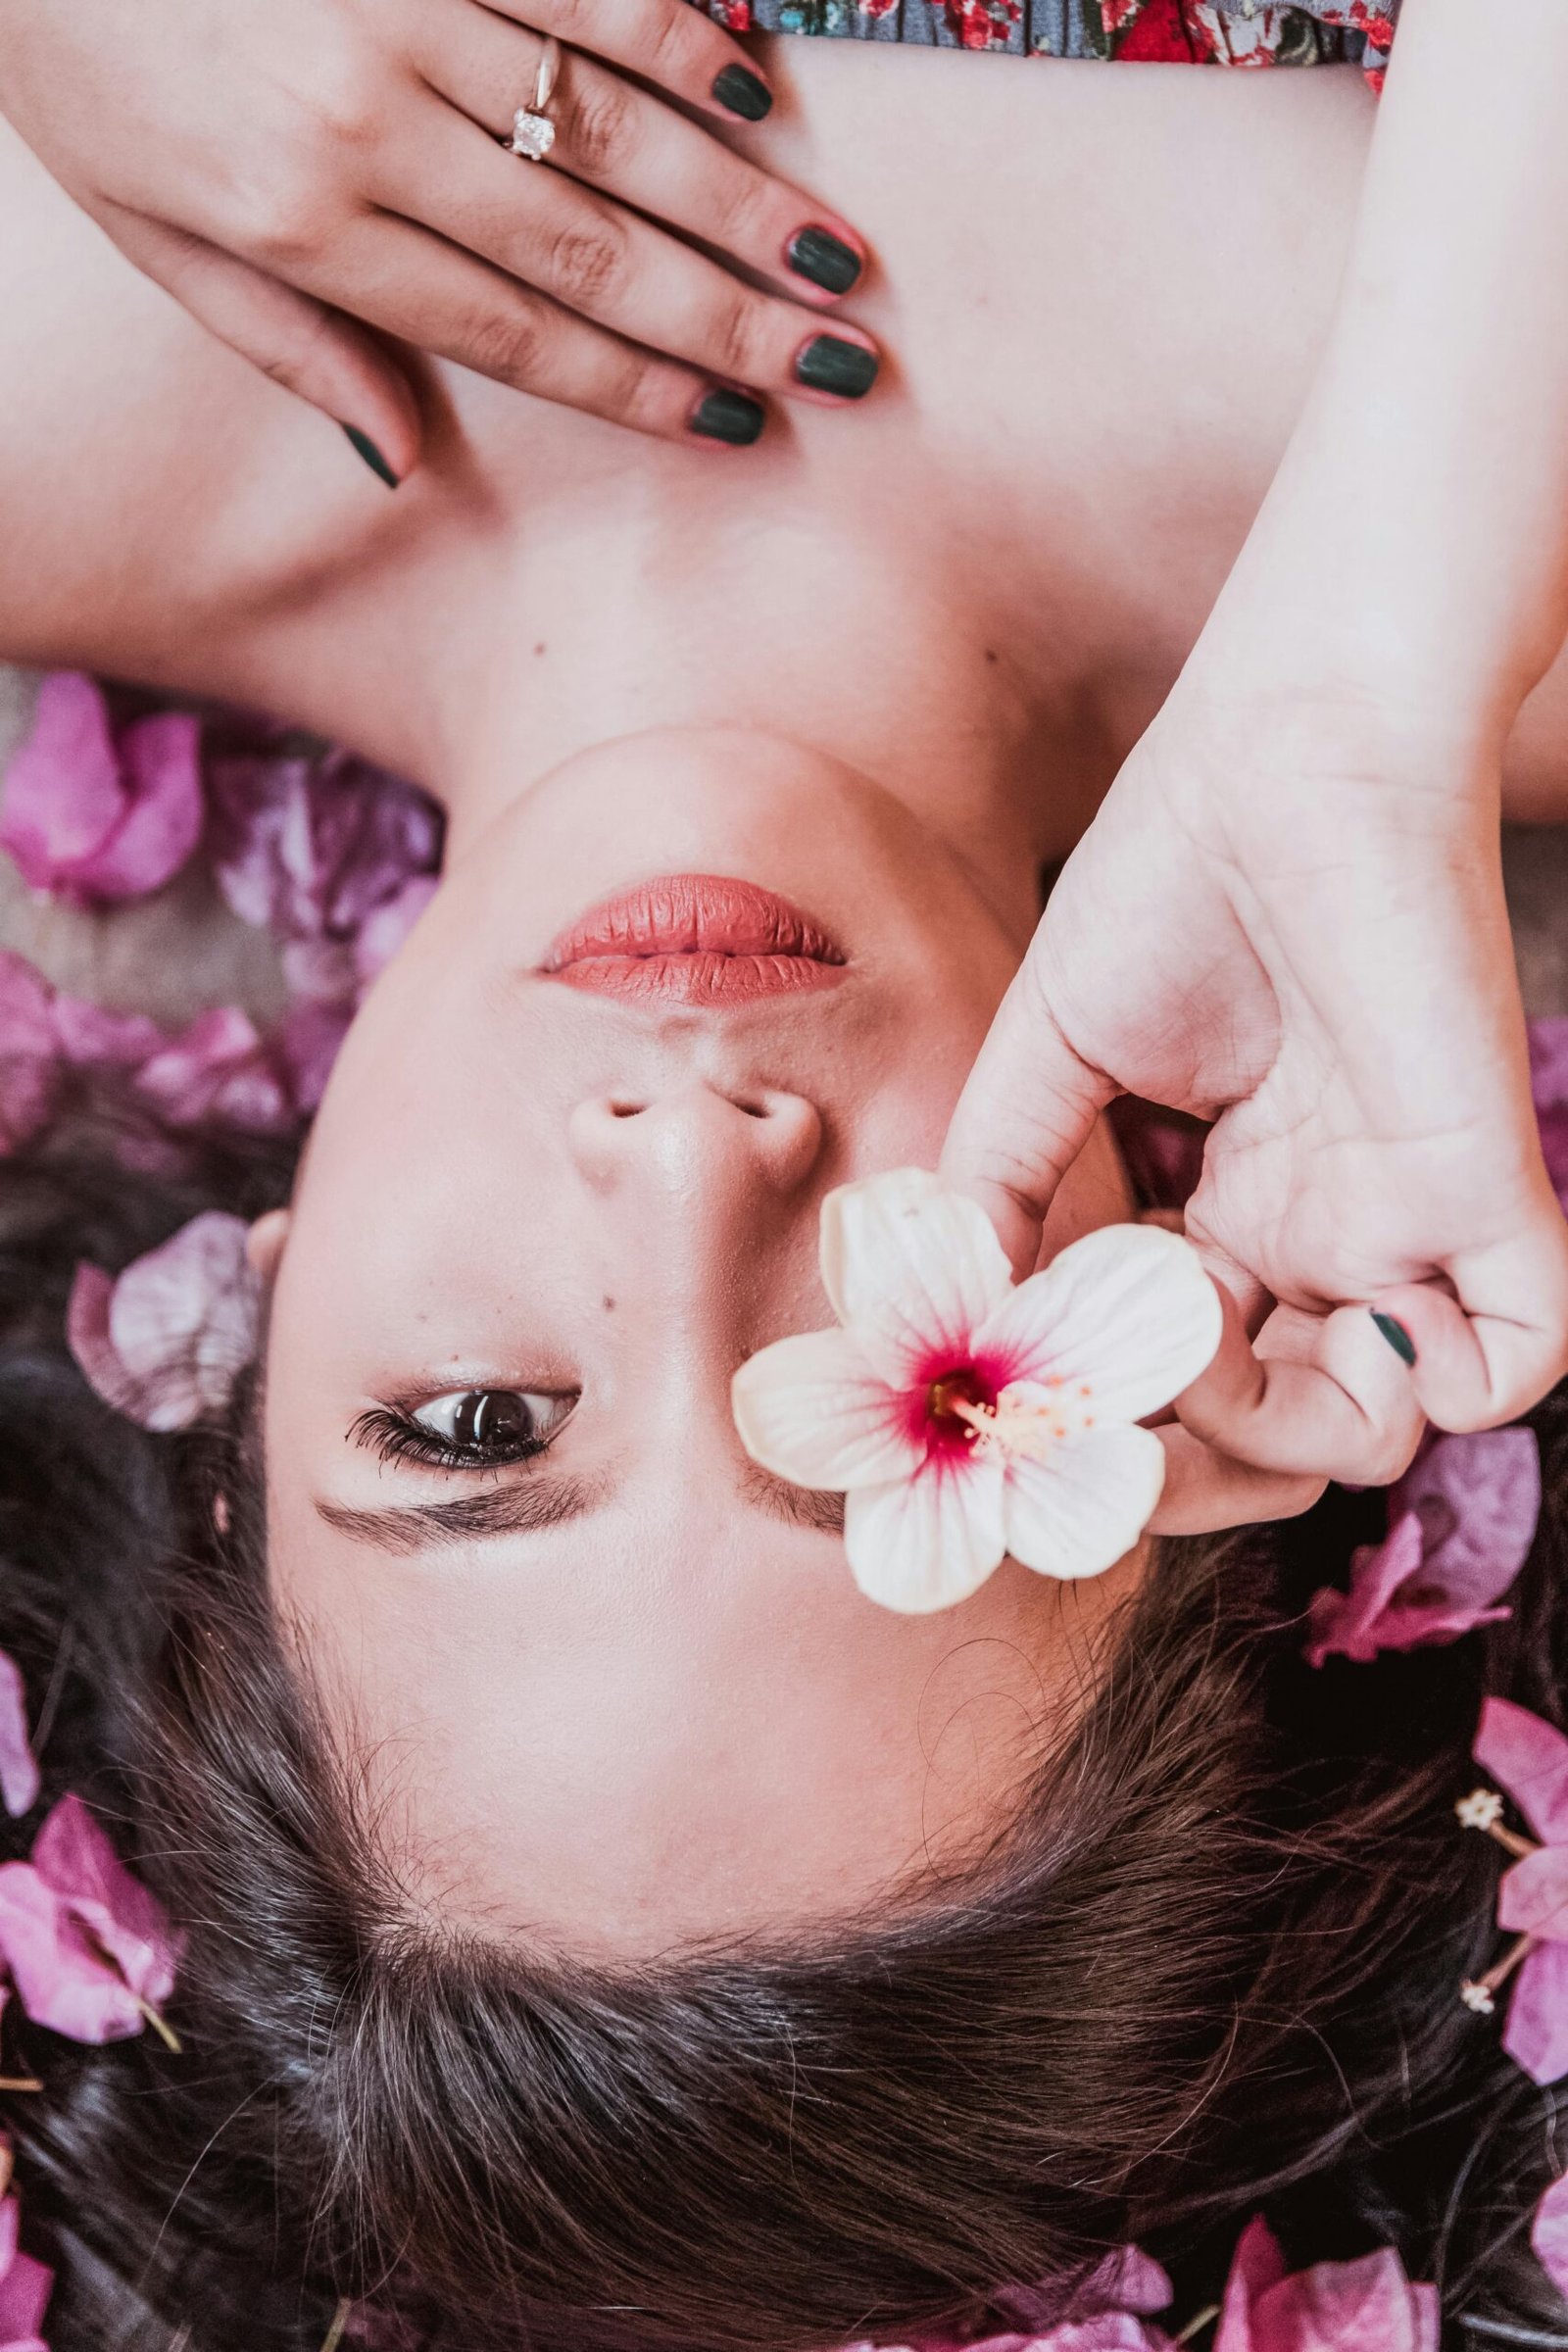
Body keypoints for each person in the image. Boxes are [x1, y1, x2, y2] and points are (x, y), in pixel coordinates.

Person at [0, 10, 1567, 2348]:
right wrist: (1376, 653)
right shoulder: (1448, 577)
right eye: (875, 1437)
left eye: (468, 1430)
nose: (686, 1164)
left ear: (251, 1347)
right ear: (1177, 1395)